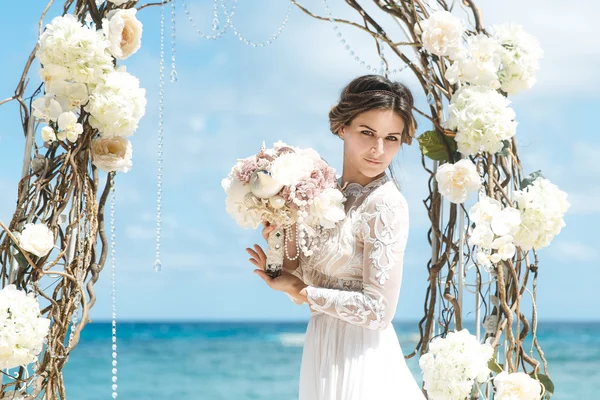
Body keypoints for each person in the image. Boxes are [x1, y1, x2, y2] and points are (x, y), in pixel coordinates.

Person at [246, 74, 427, 400]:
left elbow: (378, 311)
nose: (378, 149)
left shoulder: (386, 204)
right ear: (343, 127)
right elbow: (299, 279)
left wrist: (301, 290)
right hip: (321, 351)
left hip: (362, 359)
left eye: (392, 138)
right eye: (367, 133)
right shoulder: (323, 194)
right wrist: (279, 233)